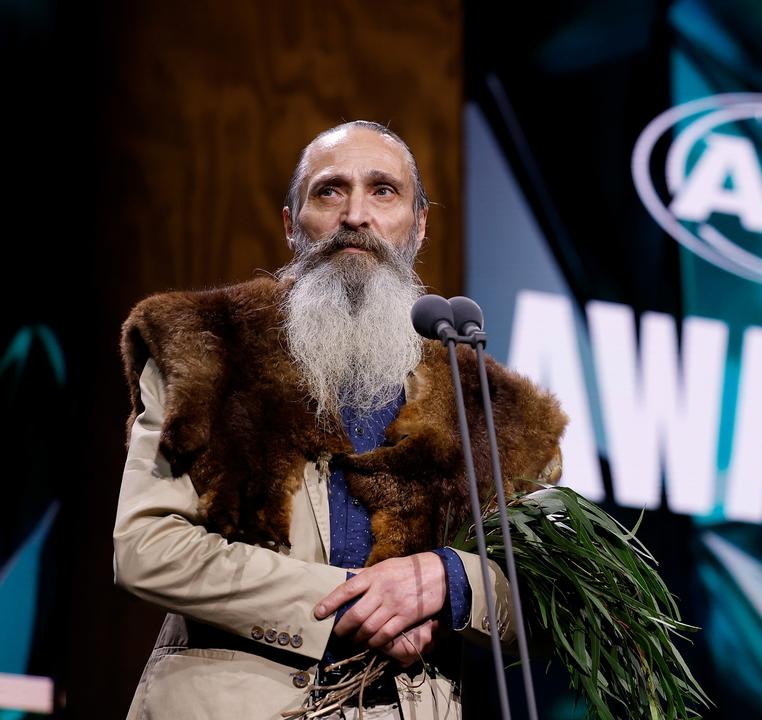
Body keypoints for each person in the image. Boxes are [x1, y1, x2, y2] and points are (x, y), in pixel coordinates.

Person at [113, 121, 566, 718]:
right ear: (290, 223)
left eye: (384, 191)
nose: (356, 214)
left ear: (419, 224)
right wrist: (347, 603)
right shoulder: (206, 349)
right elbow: (146, 548)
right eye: (329, 191)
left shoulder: (491, 408)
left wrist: (448, 580)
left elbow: (544, 592)